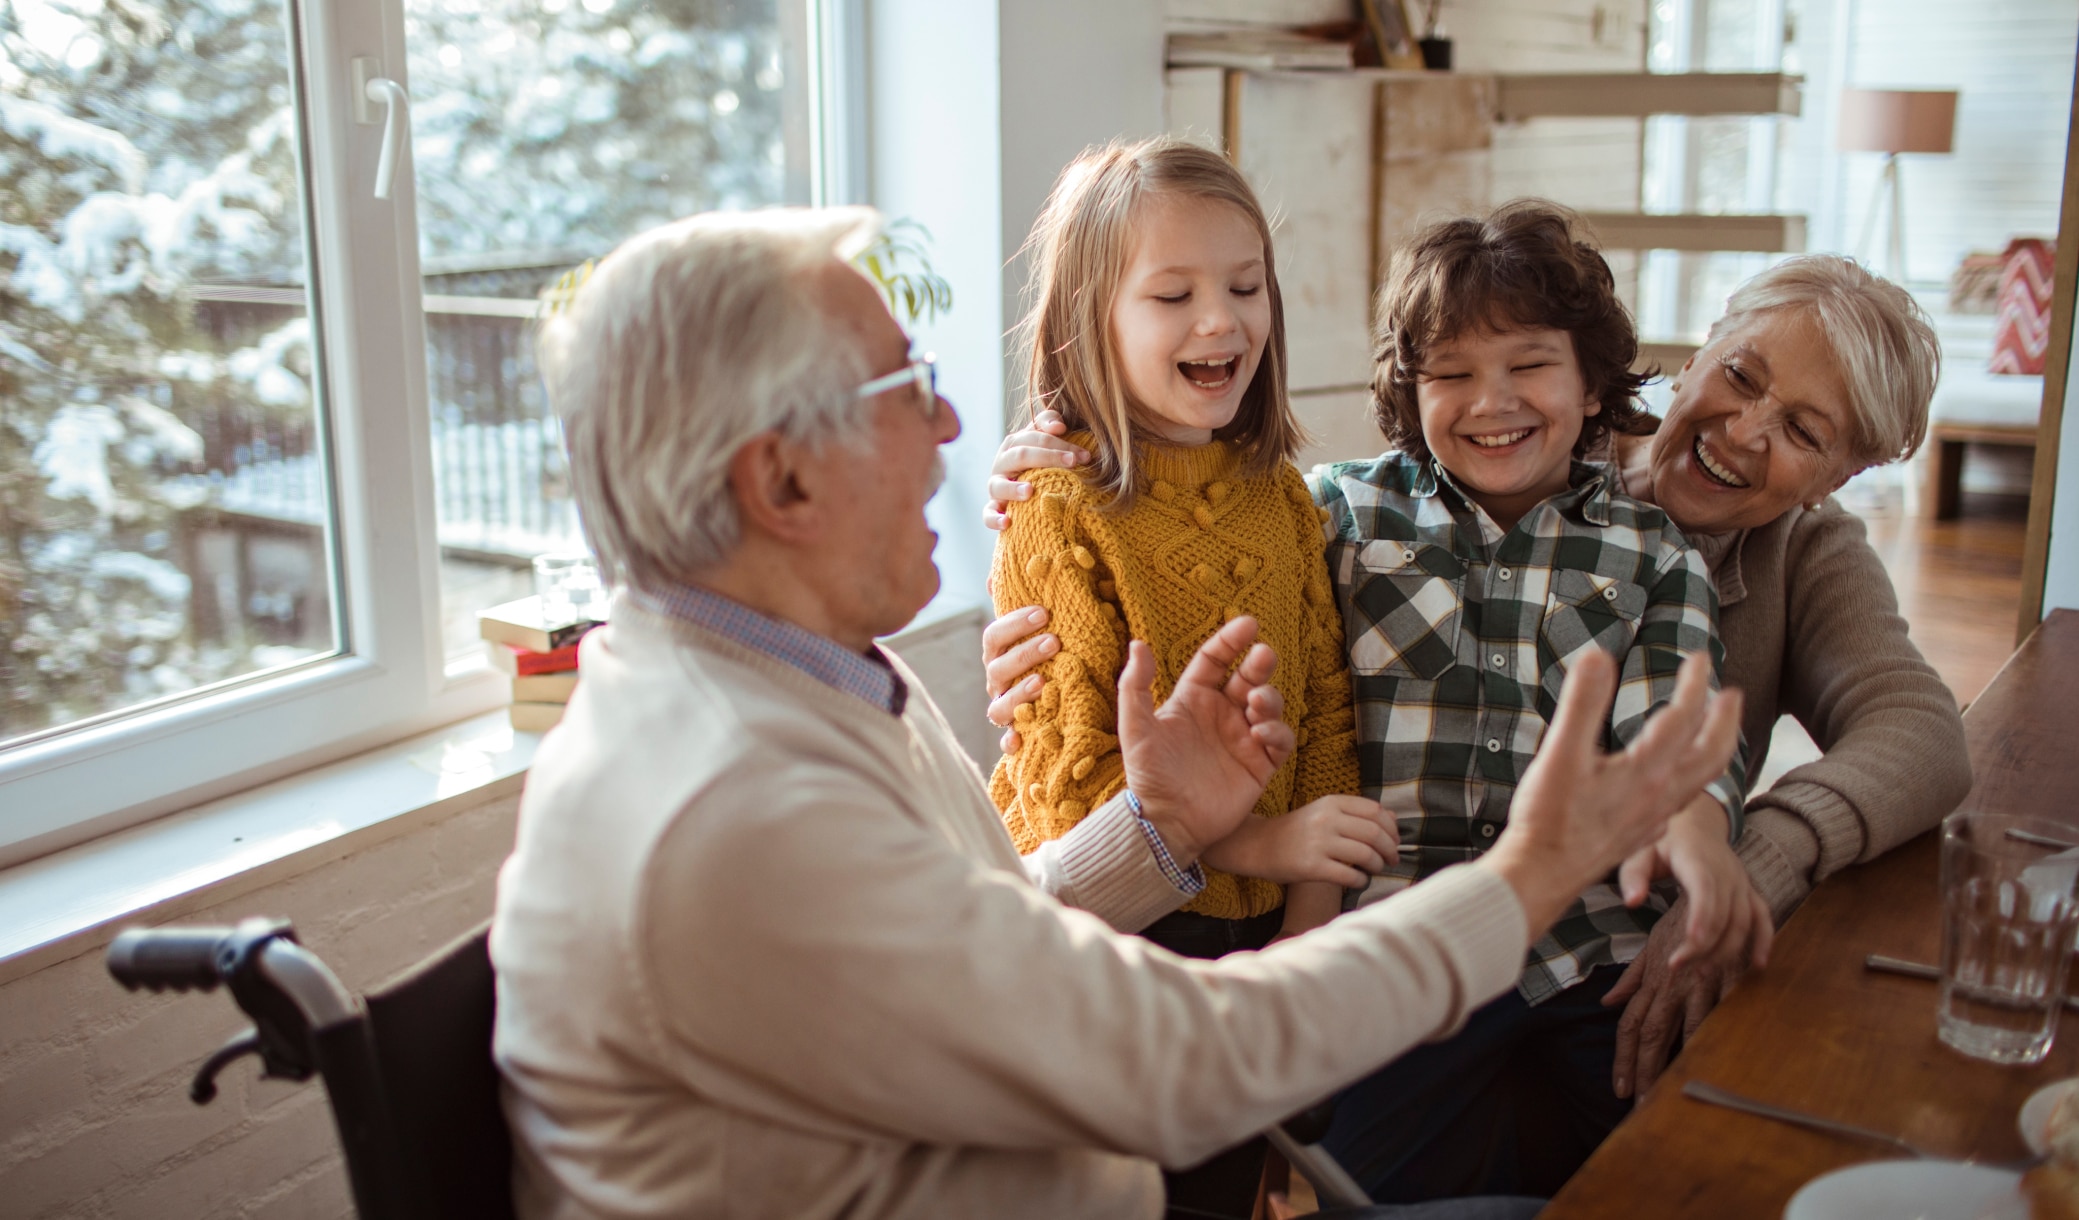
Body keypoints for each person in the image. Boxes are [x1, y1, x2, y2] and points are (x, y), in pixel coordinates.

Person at [488, 204, 1744, 1220]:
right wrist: (1528, 875)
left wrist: (1156, 827)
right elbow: (1189, 1061)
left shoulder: (786, 675)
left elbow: (975, 948)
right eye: (908, 387)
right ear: (780, 478)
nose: (957, 426)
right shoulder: (742, 804)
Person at [982, 246, 1972, 1195]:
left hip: (1594, 944)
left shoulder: (1762, 553)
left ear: (1845, 474)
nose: (1746, 430)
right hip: (1397, 919)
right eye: (1742, 376)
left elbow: (1902, 729)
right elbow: (1205, 594)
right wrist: (1062, 514)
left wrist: (1747, 850)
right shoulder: (1396, 490)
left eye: (1803, 431)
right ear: (1703, 343)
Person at [991, 138, 1383, 966]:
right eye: (1173, 294)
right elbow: (1071, 788)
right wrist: (1267, 845)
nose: (1221, 320)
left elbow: (1324, 714)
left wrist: (1308, 915)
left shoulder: (1280, 497)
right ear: (1090, 319)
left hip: (1276, 925)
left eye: (1245, 286)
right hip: (1112, 933)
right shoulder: (1053, 510)